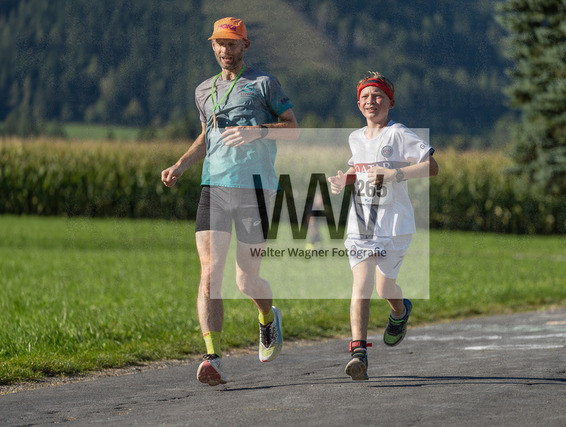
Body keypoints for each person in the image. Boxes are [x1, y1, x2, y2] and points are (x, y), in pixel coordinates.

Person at [161, 17, 299, 386]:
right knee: (210, 272)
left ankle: (267, 318)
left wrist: (257, 131)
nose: (225, 50)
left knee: (245, 279)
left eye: (232, 43)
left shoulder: (264, 84)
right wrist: (181, 164)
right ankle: (213, 357)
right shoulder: (203, 90)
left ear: (244, 46)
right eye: (220, 43)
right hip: (215, 187)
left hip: (256, 188)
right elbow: (206, 136)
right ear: (213, 46)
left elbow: (293, 127)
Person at [328, 71, 438, 380]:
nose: (370, 101)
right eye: (364, 97)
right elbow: (359, 169)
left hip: (395, 224)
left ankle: (400, 311)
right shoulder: (355, 138)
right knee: (361, 284)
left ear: (390, 102)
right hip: (362, 223)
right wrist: (344, 179)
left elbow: (432, 167)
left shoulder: (398, 134)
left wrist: (395, 174)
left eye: (377, 96)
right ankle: (358, 352)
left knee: (384, 288)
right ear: (358, 104)